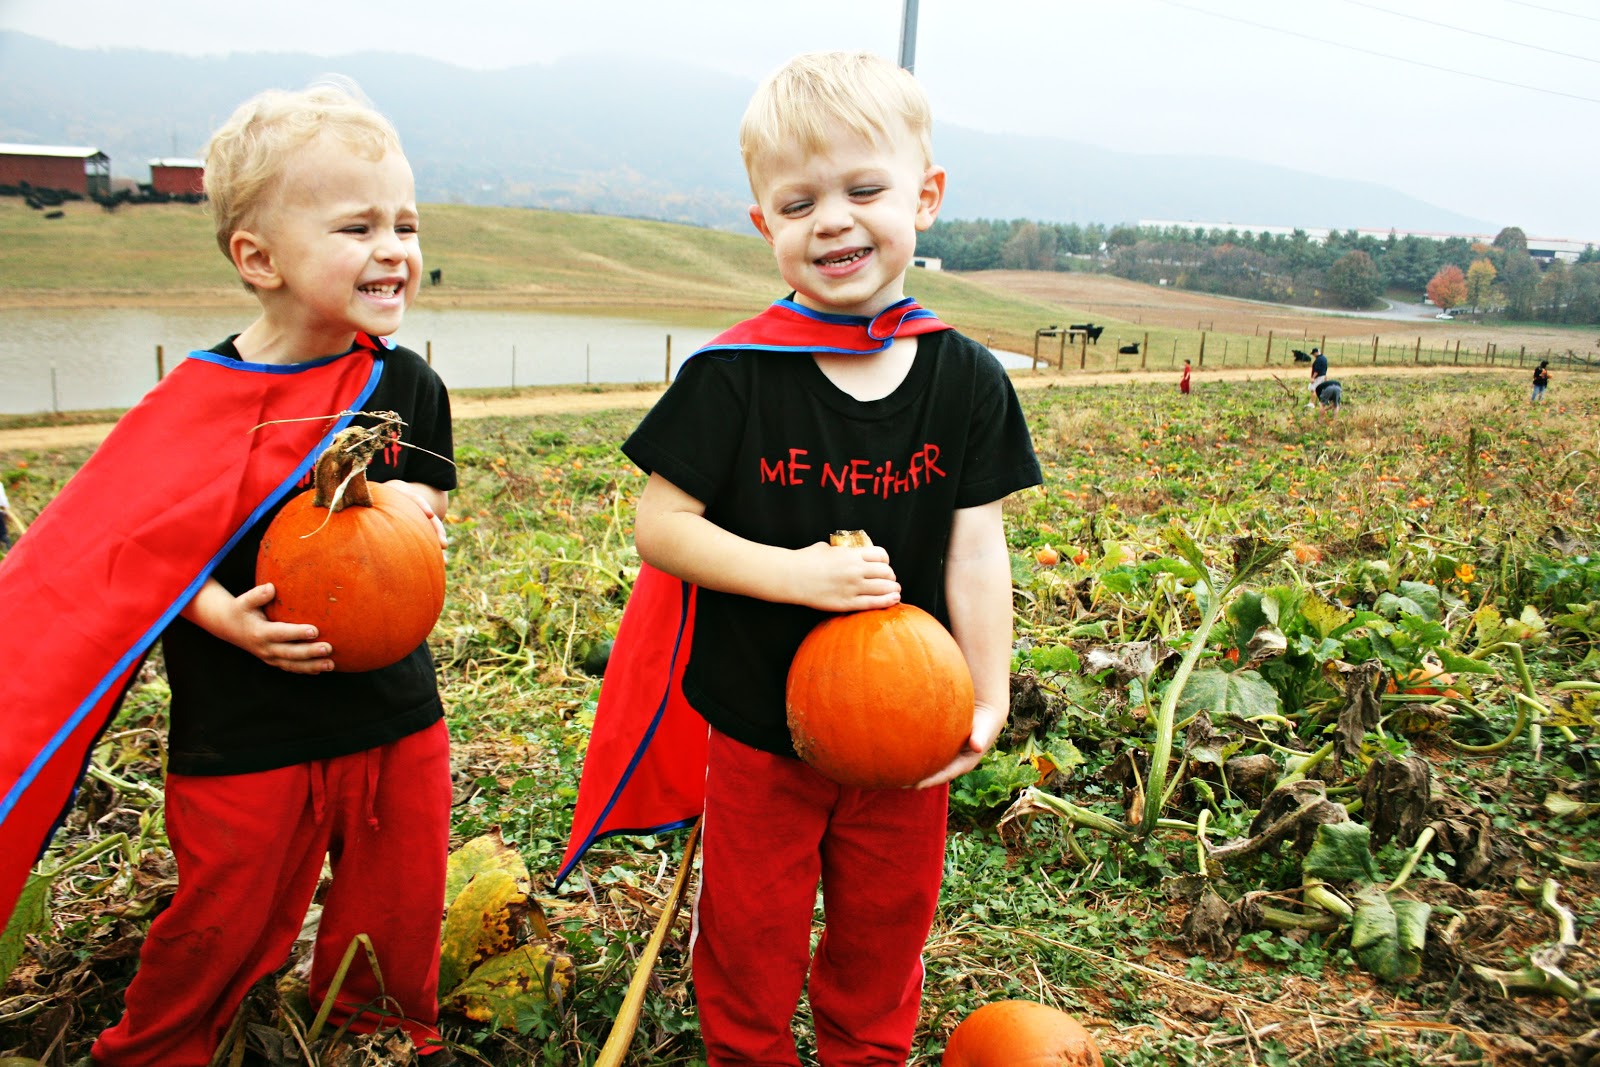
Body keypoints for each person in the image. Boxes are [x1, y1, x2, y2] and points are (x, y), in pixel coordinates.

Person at [618, 51, 1042, 1066]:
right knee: (750, 926)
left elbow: (977, 552)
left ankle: (865, 1052)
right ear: (765, 224)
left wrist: (983, 700)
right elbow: (659, 527)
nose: (835, 221)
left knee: (885, 928)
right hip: (764, 728)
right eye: (799, 202)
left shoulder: (965, 375)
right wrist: (793, 573)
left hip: (910, 731)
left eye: (864, 189)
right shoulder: (732, 376)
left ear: (924, 197)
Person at [82, 81, 458, 1065]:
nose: (393, 247)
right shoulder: (198, 403)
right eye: (356, 225)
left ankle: (375, 1034)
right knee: (226, 914)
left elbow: (425, 513)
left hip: (393, 706)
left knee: (400, 899)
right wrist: (223, 614)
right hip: (245, 723)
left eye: (404, 223)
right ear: (258, 258)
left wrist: (409, 515)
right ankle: (158, 1045)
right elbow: (144, 549)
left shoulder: (407, 386)